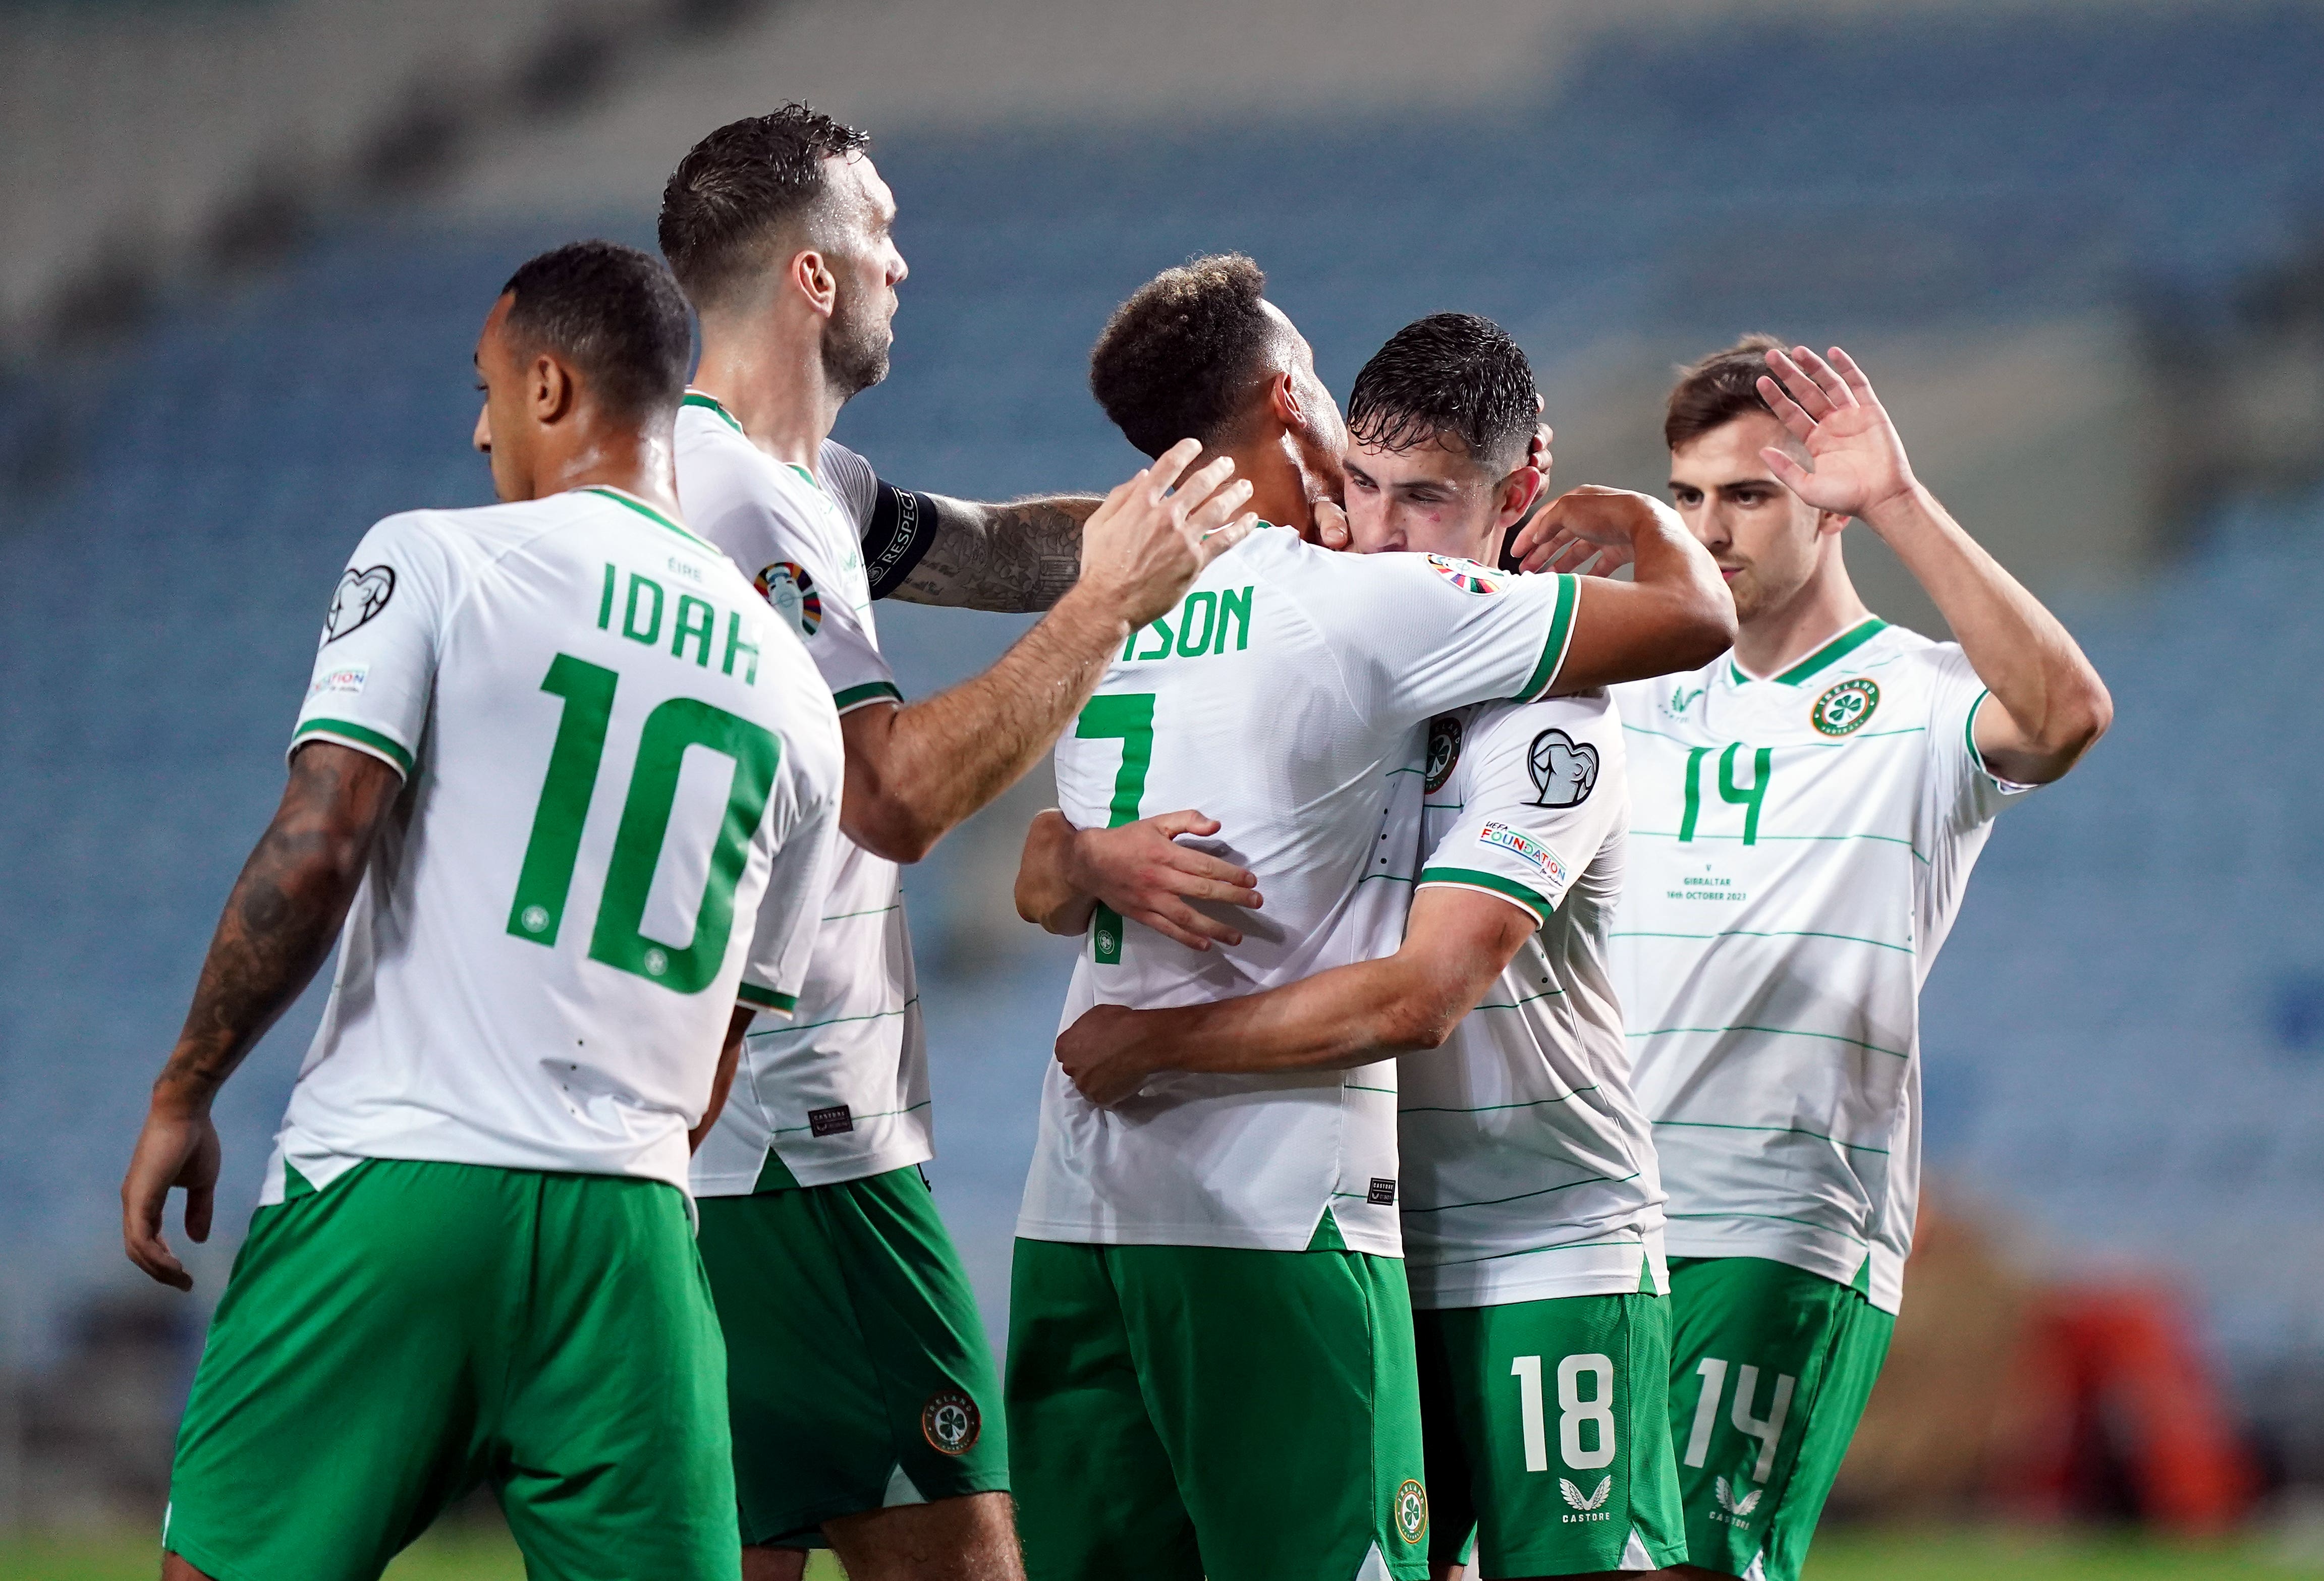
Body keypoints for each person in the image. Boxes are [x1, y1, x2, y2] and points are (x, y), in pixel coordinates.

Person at [119, 240, 846, 1581]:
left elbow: (321, 836)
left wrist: (186, 1087)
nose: (477, 424)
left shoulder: (440, 560)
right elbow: (723, 1040)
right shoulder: (796, 695)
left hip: (397, 1183)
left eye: (488, 387)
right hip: (628, 1229)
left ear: (553, 386)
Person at [1004, 260, 1735, 1581]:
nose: (1384, 527)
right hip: (1365, 1218)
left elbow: (1423, 990)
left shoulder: (1543, 706)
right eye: (1364, 487)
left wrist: (1633, 512)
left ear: (1515, 496)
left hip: (1532, 1223)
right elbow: (1050, 862)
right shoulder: (1295, 625)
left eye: (1425, 497)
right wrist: (1074, 850)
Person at [655, 104, 1255, 1581]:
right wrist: (1109, 605)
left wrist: (1249, 512)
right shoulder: (743, 505)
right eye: (879, 234)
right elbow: (894, 796)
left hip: (716, 1148)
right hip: (803, 1151)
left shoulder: (783, 483)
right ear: (810, 277)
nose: (903, 266)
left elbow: (998, 544)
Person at [1514, 337, 2111, 1581]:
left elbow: (2063, 716)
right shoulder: (1624, 688)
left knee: (1692, 1565)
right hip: (1584, 1207)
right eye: (1688, 496)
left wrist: (1894, 495)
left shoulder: (1917, 695)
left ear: (1822, 507)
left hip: (1776, 1211)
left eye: (1749, 495)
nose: (1712, 528)